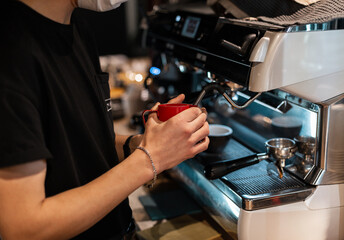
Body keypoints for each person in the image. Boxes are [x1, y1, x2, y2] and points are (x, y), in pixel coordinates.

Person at [0, 0, 210, 239]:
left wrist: (143, 144)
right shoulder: (12, 54)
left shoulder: (76, 27)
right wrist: (150, 159)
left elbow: (80, 143)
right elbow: (24, 227)